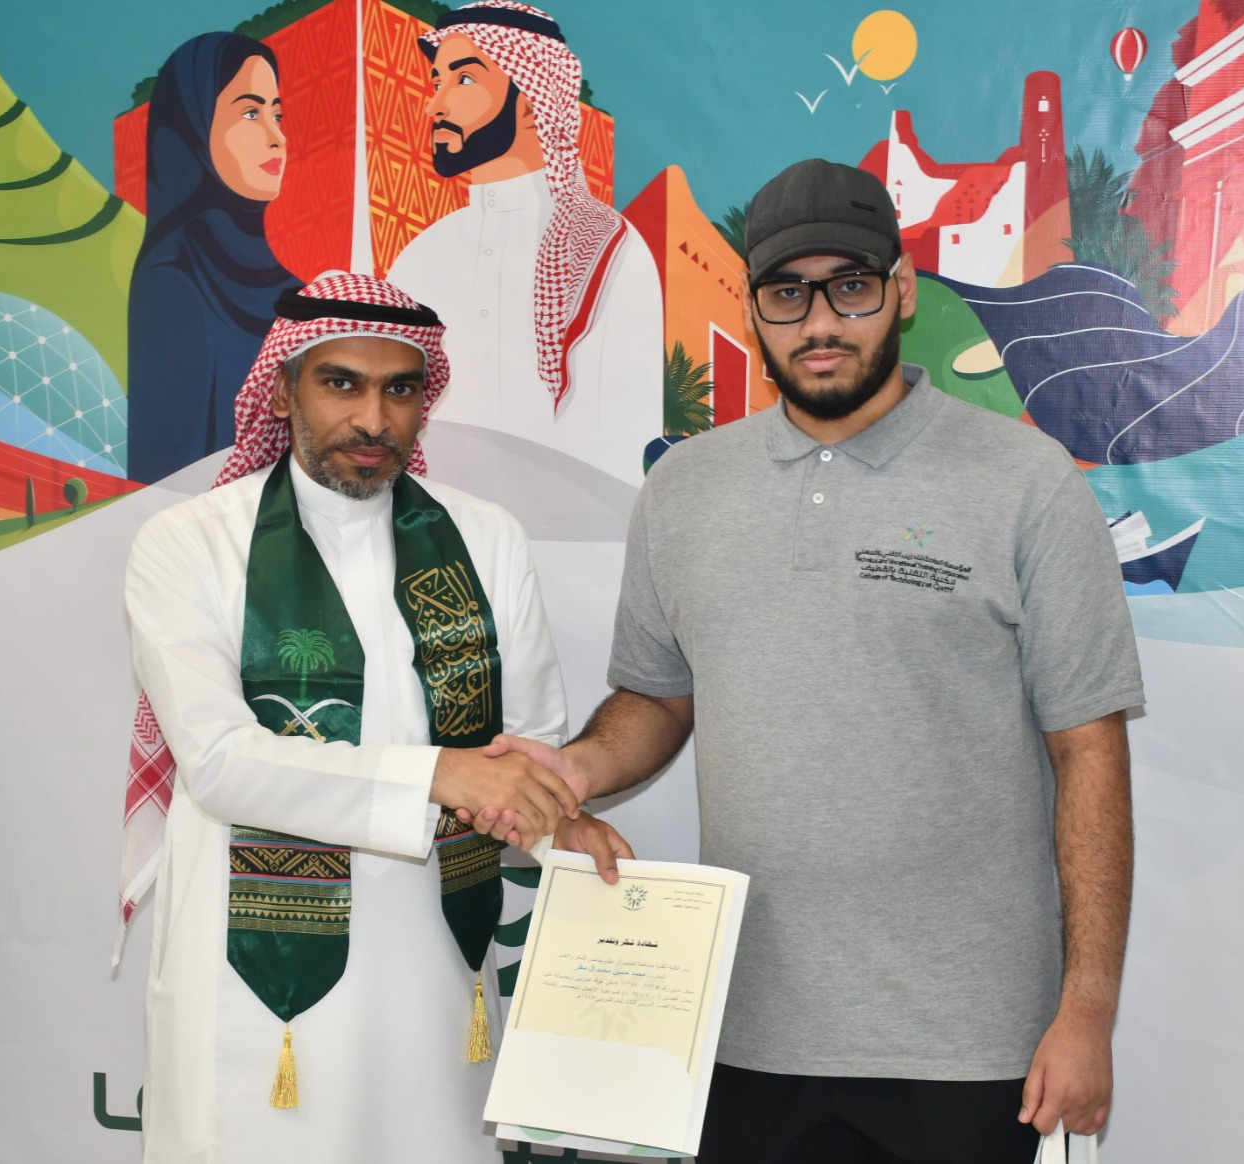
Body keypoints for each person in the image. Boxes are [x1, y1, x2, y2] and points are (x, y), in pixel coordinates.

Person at [483, 160, 1144, 1163]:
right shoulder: (684, 489)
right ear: (754, 308)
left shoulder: (1024, 480)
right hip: (739, 1030)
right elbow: (658, 700)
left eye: (850, 287)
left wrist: (1087, 1010)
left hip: (970, 1043)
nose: (821, 322)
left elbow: (1088, 750)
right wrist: (571, 771)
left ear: (902, 292)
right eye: (788, 294)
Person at [121, 271, 625, 1162]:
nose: (374, 419)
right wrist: (440, 773)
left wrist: (556, 818)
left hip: (434, 958)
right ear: (284, 389)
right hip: (252, 977)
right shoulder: (191, 542)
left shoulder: (484, 536)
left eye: (400, 390)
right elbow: (222, 763)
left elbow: (526, 746)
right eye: (341, 383)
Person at [386, 0, 663, 486]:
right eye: (436, 83)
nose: (435, 105)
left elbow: (621, 452)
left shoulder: (609, 249)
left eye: (464, 80)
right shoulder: (419, 259)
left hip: (571, 527)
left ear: (533, 102)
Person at [126, 32, 296, 485]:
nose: (276, 137)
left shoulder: (293, 294)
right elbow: (168, 474)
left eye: (277, 115)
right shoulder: (173, 281)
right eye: (250, 113)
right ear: (193, 130)